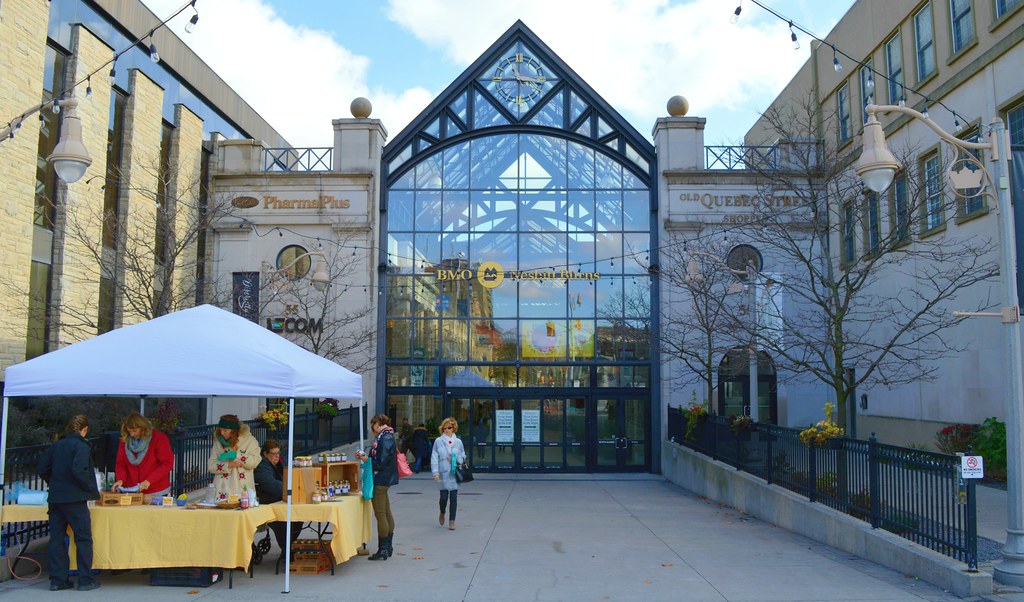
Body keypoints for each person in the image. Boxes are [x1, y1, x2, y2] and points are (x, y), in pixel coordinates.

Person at [37, 415, 101, 591]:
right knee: (83, 538)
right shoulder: (81, 446)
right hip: (75, 498)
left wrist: (54, 482)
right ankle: (85, 580)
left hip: (56, 497)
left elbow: (42, 468)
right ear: (85, 429)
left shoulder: (56, 445)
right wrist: (90, 489)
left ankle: (58, 580)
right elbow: (79, 470)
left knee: (57, 538)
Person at [355, 413, 398, 561]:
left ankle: (383, 549)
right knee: (386, 512)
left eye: (373, 425)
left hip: (380, 479)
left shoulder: (384, 437)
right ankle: (388, 547)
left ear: (378, 424)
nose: (372, 429)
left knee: (381, 514)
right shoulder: (388, 435)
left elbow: (381, 461)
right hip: (385, 479)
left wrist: (367, 459)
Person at [253, 439, 302, 555]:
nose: (276, 456)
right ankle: (286, 549)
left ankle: (288, 546)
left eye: (278, 453)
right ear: (265, 454)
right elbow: (272, 485)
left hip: (277, 500)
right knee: (284, 521)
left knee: (299, 516)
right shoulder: (261, 466)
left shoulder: (277, 464)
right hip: (266, 503)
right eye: (273, 454)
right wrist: (291, 490)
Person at [111, 412, 174, 497]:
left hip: (157, 490)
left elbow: (167, 463)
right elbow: (121, 464)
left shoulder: (159, 438)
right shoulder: (124, 441)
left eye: (135, 431)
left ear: (143, 428)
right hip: (132, 491)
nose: (132, 434)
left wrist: (149, 480)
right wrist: (120, 480)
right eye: (129, 431)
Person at [207, 414, 261, 502]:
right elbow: (211, 466)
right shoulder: (218, 442)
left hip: (242, 489)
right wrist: (228, 465)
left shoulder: (249, 441)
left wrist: (238, 456)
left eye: (225, 430)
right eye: (220, 429)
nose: (221, 433)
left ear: (233, 431)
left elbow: (255, 461)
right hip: (222, 490)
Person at [430, 417, 466, 531]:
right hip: (442, 472)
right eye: (444, 428)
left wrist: (455, 459)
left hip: (454, 473)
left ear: (453, 428)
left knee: (454, 497)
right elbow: (434, 457)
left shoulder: (458, 442)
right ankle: (442, 512)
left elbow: (463, 456)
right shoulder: (438, 441)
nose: (447, 430)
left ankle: (452, 521)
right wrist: (435, 472)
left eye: (449, 428)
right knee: (444, 497)